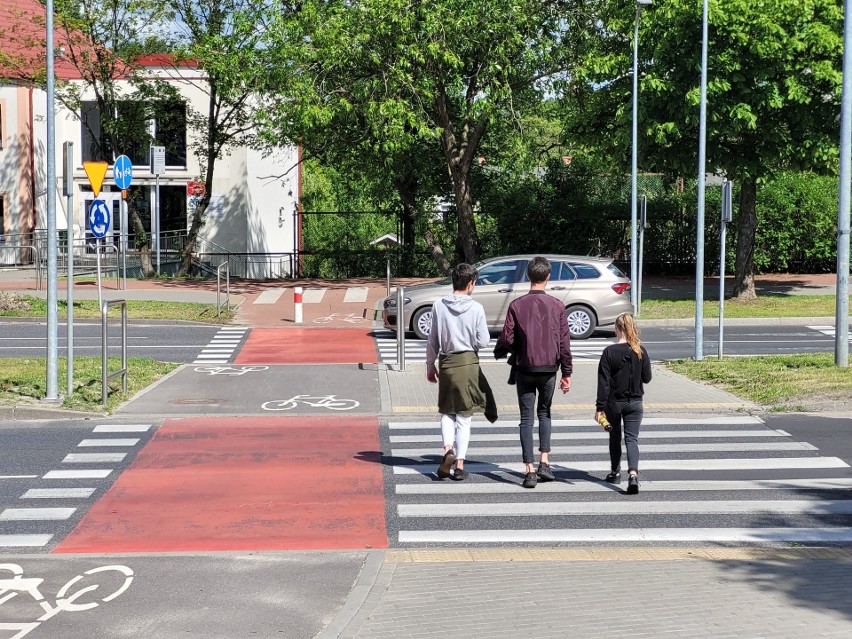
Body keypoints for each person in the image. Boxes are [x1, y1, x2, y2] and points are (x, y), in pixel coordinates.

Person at [494, 256, 572, 489]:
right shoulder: (558, 305)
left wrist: (513, 347)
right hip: (549, 369)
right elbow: (565, 344)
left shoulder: (516, 305)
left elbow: (507, 338)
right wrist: (567, 373)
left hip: (524, 367)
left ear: (528, 276)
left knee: (526, 418)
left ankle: (529, 471)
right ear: (548, 277)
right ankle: (544, 463)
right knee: (545, 413)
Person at [426, 263, 496, 481]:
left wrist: (430, 364)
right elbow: (483, 340)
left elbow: (433, 339)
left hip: (446, 362)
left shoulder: (439, 305)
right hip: (468, 362)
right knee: (465, 416)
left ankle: (448, 448)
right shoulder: (476, 308)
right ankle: (460, 465)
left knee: (447, 411)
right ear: (470, 283)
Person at [595, 312, 652, 494]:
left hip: (613, 403)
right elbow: (647, 378)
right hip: (635, 403)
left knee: (614, 437)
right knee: (631, 439)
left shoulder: (609, 352)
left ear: (616, 329)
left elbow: (603, 383)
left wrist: (599, 407)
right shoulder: (640, 350)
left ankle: (614, 472)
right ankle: (633, 474)